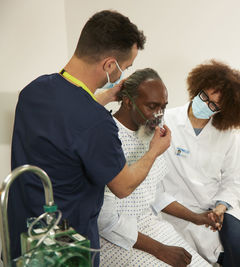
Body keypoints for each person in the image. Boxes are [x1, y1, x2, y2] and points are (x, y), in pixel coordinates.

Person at [8, 10, 171, 266]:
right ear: (108, 64)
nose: (121, 75)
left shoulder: (33, 90)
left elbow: (67, 118)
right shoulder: (97, 122)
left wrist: (102, 97)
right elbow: (123, 186)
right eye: (124, 67)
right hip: (66, 242)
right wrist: (154, 150)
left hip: (22, 228)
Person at [98, 68, 212, 267]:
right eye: (152, 106)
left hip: (149, 227)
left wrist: (196, 218)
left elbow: (154, 194)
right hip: (114, 239)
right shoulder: (107, 138)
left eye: (163, 107)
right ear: (127, 101)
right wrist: (160, 250)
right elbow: (105, 221)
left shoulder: (149, 135)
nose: (159, 115)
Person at [160, 60, 240, 266]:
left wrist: (220, 207)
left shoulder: (227, 135)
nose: (205, 104)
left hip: (216, 206)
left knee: (239, 245)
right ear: (197, 87)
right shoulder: (165, 121)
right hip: (178, 207)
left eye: (214, 105)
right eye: (204, 96)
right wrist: (195, 216)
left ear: (223, 110)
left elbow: (233, 180)